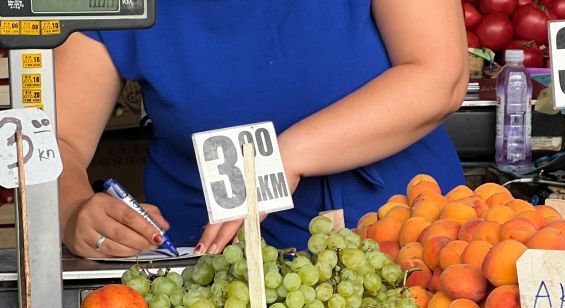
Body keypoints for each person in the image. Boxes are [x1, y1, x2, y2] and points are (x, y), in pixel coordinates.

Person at [56, 2, 468, 258]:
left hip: (402, 241)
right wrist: (73, 207)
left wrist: (284, 156)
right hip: (210, 267)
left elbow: (439, 75)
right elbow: (58, 140)